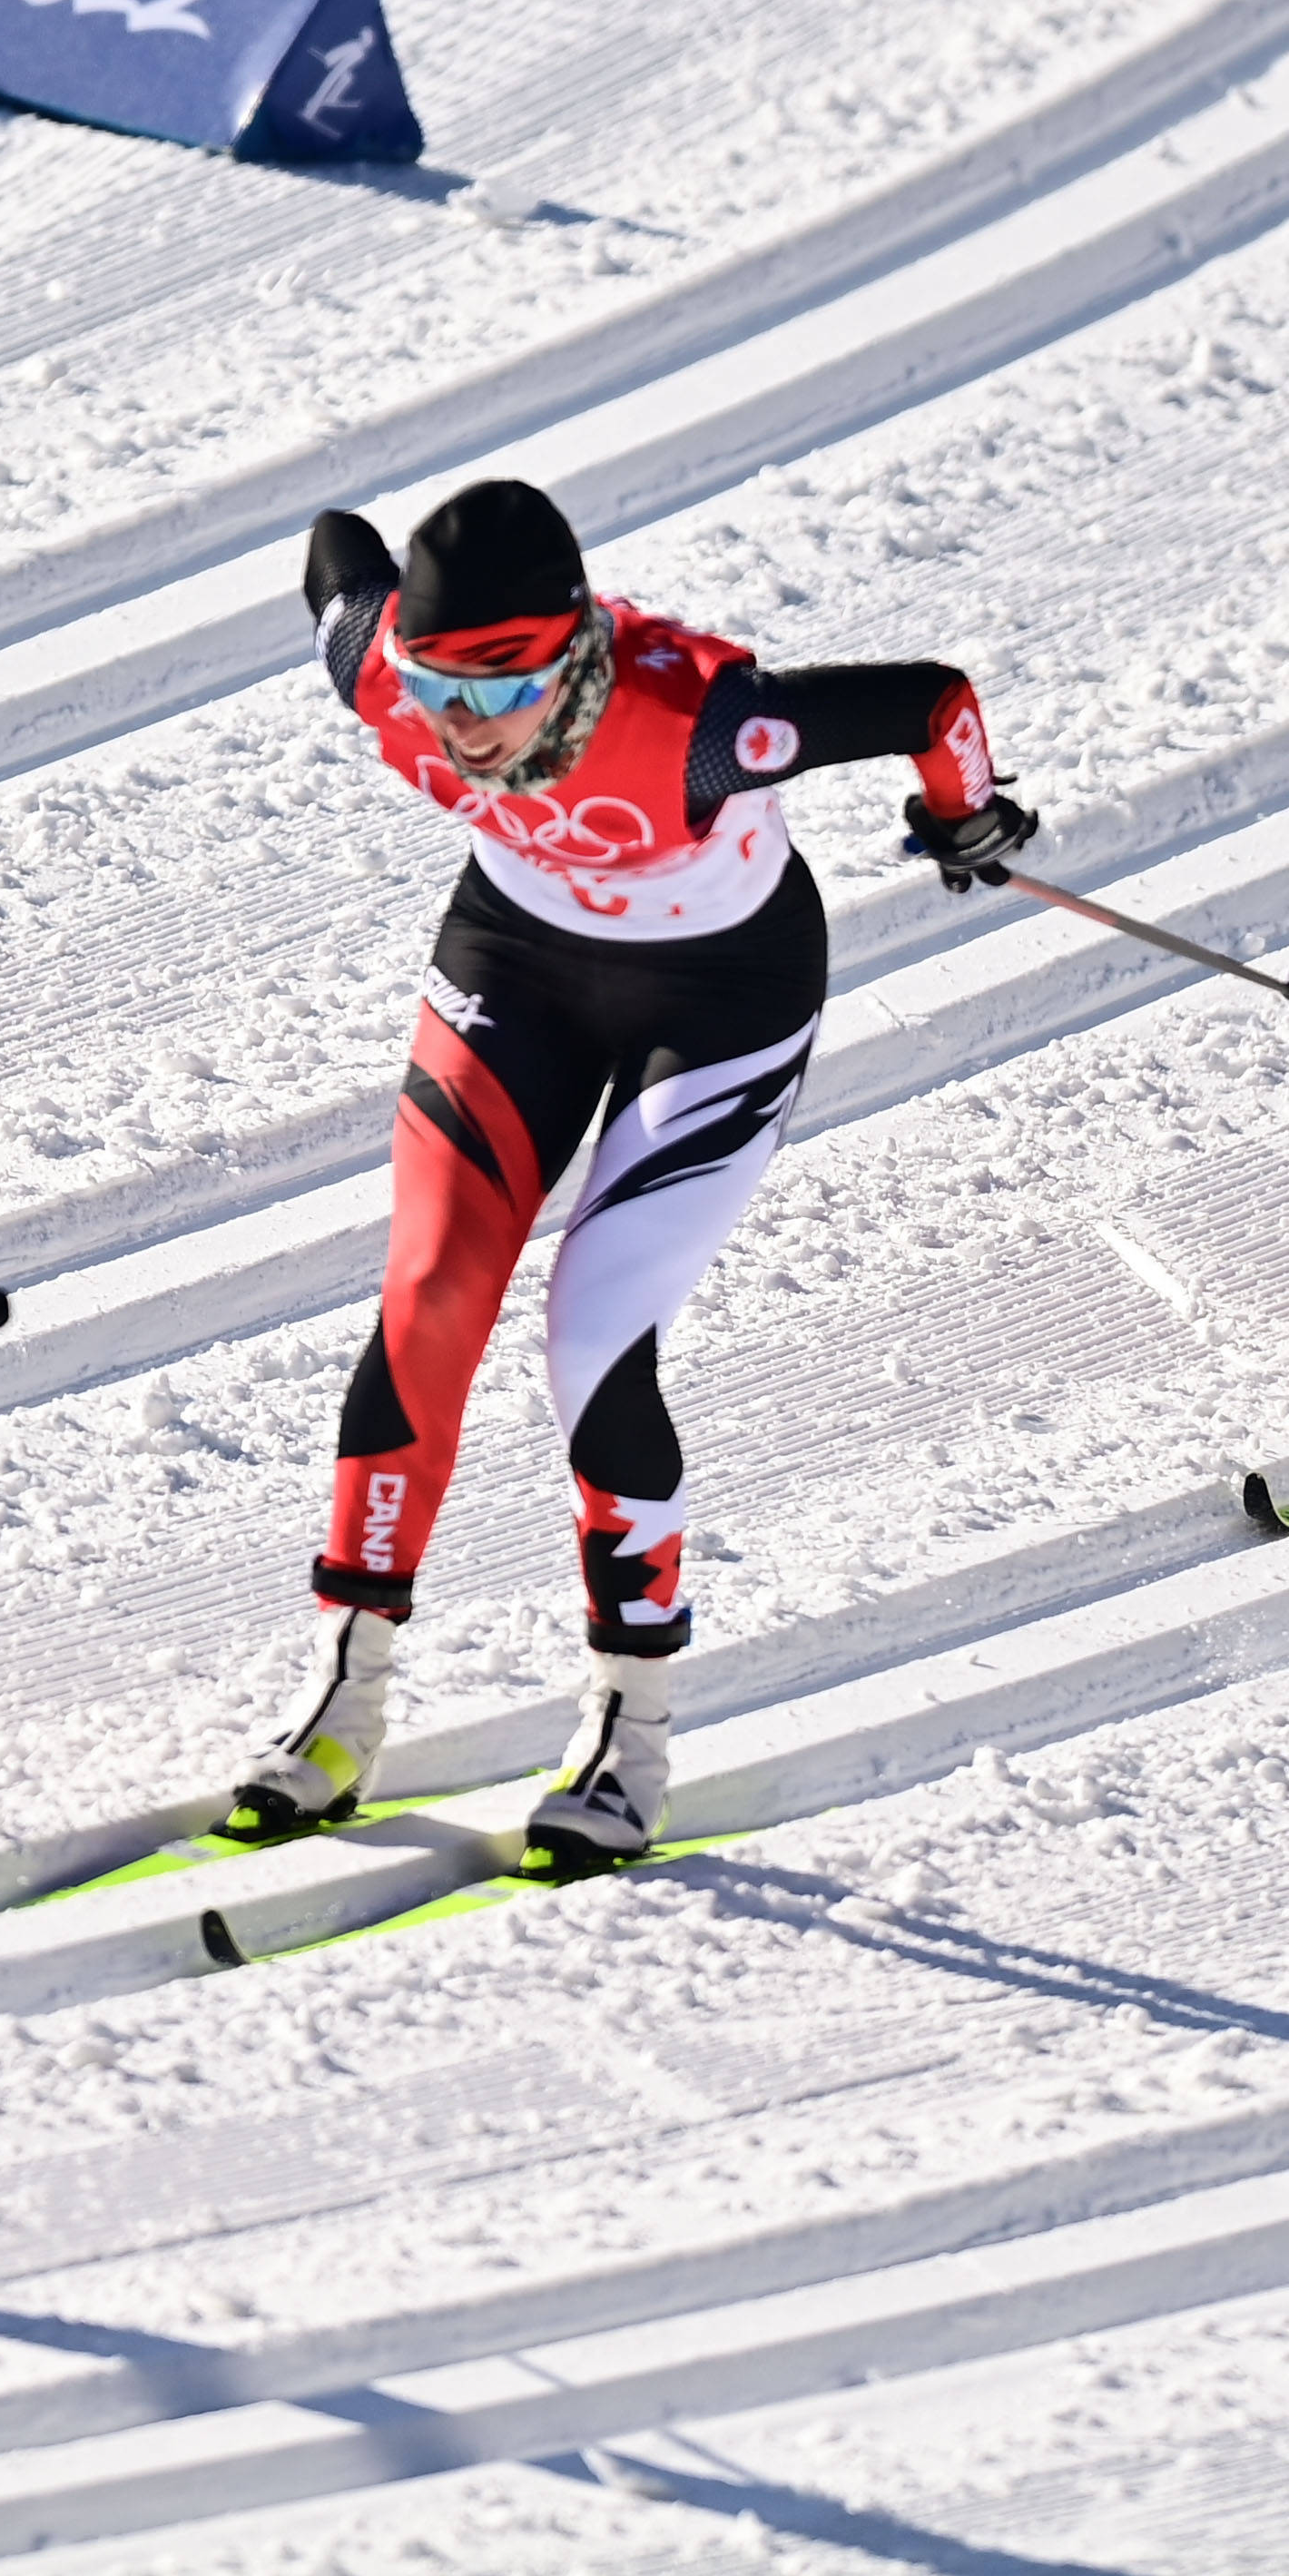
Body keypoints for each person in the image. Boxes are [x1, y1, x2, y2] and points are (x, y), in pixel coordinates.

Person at [230, 478, 1035, 1874]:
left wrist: (964, 814)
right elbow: (334, 556)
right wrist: (394, 626)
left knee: (592, 1331)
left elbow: (933, 701)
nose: (464, 729)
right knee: (427, 1294)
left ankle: (627, 1728)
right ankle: (344, 1697)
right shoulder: (386, 681)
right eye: (436, 686)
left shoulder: (705, 727)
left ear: (577, 655)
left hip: (720, 995)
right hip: (517, 962)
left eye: (503, 687)